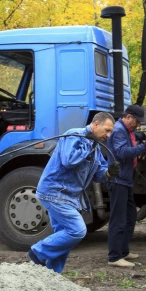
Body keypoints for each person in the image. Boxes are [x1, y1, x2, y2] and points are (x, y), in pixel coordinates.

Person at [27, 112, 120, 273]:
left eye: (111, 132)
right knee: (77, 231)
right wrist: (88, 145)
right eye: (107, 130)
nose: (109, 135)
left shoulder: (95, 146)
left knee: (64, 237)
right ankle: (38, 252)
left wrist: (109, 173)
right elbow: (69, 160)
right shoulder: (74, 135)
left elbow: (99, 174)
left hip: (69, 196)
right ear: (95, 124)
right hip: (55, 192)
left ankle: (52, 273)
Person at [106, 105, 146, 268]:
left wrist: (139, 136)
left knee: (129, 217)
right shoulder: (119, 130)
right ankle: (114, 257)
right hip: (118, 180)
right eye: (136, 121)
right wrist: (144, 147)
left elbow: (131, 138)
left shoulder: (126, 130)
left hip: (125, 180)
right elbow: (122, 152)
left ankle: (123, 251)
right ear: (128, 117)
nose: (137, 125)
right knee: (118, 219)